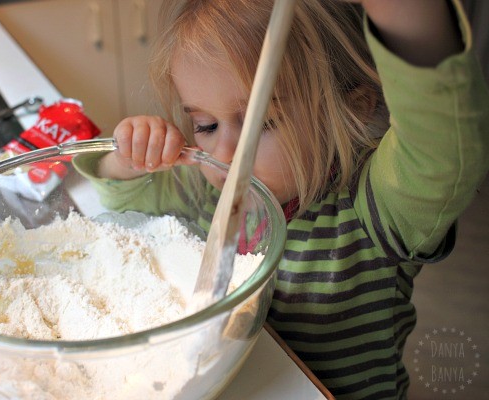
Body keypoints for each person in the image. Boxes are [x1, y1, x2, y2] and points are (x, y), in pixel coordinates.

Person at [73, 0, 489, 398]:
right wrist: (129, 157)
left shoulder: (373, 212)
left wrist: (404, 11)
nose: (225, 156)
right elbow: (124, 197)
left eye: (263, 122)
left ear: (352, 108)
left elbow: (439, 153)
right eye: (205, 124)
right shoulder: (203, 189)